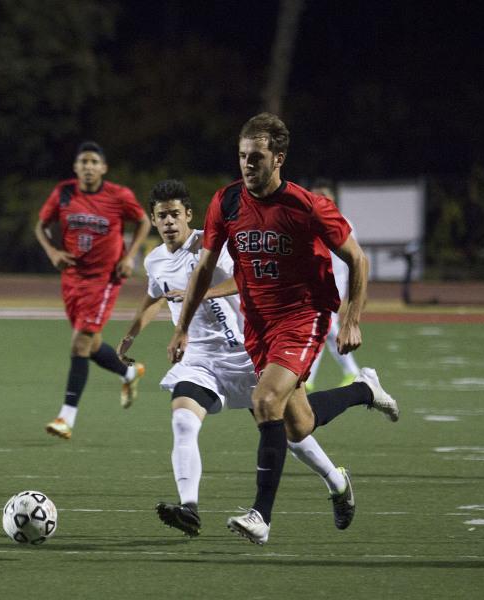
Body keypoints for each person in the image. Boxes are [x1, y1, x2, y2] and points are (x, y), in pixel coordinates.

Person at [166, 113, 400, 545]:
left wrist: (350, 318)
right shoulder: (227, 202)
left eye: (256, 157)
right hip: (258, 324)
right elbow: (202, 268)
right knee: (298, 425)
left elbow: (358, 260)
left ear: (279, 159)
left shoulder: (307, 206)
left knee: (265, 400)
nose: (247, 165)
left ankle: (261, 516)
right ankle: (365, 390)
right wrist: (182, 328)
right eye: (241, 156)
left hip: (304, 315)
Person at [35, 141, 151, 439]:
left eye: (93, 162)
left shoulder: (118, 195)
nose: (88, 166)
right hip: (73, 277)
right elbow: (41, 226)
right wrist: (52, 252)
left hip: (105, 278)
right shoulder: (64, 192)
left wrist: (129, 257)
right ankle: (129, 373)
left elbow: (143, 221)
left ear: (103, 168)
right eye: (83, 161)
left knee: (79, 344)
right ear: (75, 167)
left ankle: (66, 418)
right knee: (91, 342)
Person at [305, 180, 360, 391]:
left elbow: (356, 258)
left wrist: (354, 294)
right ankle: (310, 377)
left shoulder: (342, 223)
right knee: (323, 328)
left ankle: (351, 371)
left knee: (324, 327)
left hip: (333, 285)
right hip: (316, 284)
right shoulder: (310, 223)